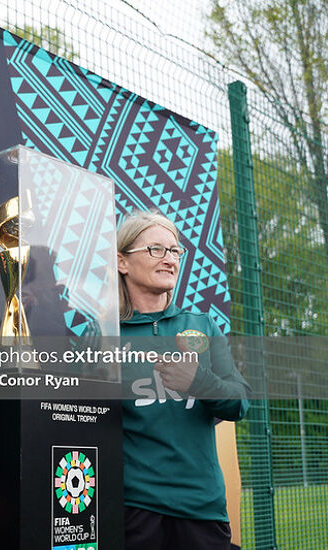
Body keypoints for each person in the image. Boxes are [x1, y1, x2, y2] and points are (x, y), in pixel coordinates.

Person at [116, 210, 250, 550]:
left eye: (175, 251)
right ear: (122, 262)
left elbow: (240, 402)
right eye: (155, 250)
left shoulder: (203, 325)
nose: (169, 259)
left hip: (202, 509)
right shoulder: (102, 334)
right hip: (133, 510)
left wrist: (198, 380)